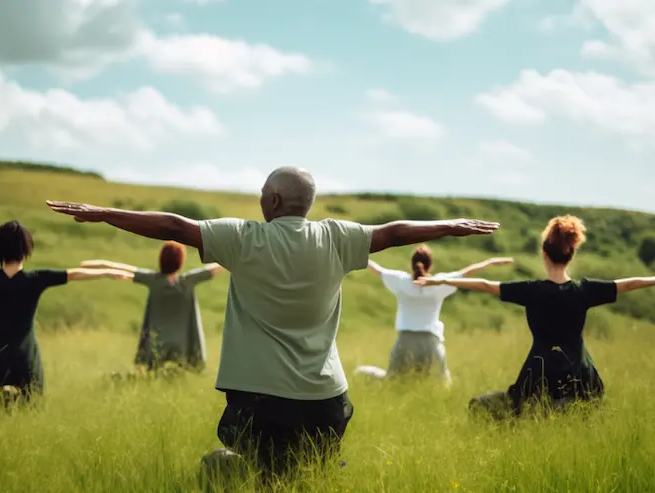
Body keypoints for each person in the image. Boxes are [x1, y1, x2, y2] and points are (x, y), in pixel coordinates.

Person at [46, 166, 500, 481]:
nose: (260, 199)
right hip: (327, 400)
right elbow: (395, 232)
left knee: (241, 470)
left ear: (275, 200)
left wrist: (104, 213)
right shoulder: (337, 237)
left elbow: (173, 226)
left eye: (264, 193)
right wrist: (450, 226)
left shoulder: (244, 239)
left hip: (261, 403)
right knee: (310, 472)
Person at [415, 215, 655, 419]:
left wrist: (442, 279)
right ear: (571, 255)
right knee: (573, 410)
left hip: (539, 373)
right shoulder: (584, 291)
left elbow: (486, 285)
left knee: (486, 406)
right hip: (580, 375)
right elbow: (628, 284)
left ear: (544, 255)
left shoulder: (532, 290)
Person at [0, 220, 132, 416]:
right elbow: (74, 274)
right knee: (31, 405)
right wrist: (107, 272)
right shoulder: (35, 279)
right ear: (25, 249)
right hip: (24, 353)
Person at [355, 247, 513, 384]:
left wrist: (357, 251)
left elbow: (376, 269)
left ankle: (361, 372)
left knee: (393, 381)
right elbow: (466, 273)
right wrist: (490, 262)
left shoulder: (400, 281)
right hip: (430, 343)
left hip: (405, 341)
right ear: (430, 265)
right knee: (442, 384)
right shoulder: (439, 283)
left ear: (411, 264)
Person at [79, 242, 225, 374]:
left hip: (157, 343)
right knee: (180, 375)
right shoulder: (187, 281)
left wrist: (94, 264)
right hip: (183, 344)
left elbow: (123, 268)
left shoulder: (153, 280)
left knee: (154, 375)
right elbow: (215, 268)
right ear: (180, 261)